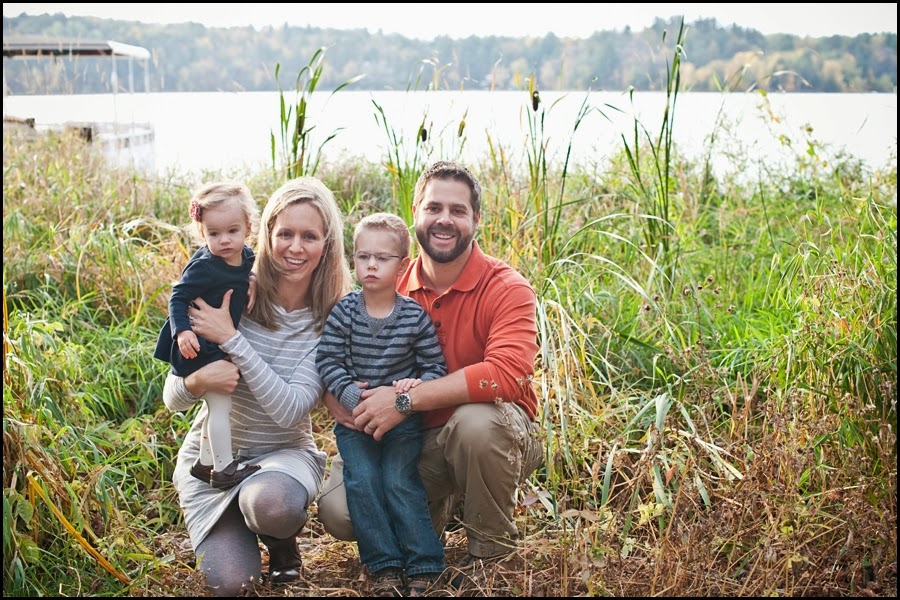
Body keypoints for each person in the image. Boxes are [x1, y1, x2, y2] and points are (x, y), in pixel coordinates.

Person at [317, 161, 544, 582]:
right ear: (415, 213)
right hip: (412, 439)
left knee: (476, 426)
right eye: (434, 207)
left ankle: (490, 557)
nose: (444, 219)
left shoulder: (506, 287)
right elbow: (334, 348)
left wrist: (406, 400)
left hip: (491, 434)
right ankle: (436, 511)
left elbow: (509, 373)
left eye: (458, 210)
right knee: (339, 509)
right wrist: (335, 396)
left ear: (477, 219)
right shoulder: (386, 280)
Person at [162, 176, 352, 596]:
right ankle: (236, 528)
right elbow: (171, 398)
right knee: (232, 585)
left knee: (271, 505)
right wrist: (197, 379)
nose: (295, 247)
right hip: (212, 463)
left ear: (326, 244)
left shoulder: (330, 319)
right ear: (265, 234)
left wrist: (232, 340)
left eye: (309, 236)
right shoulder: (230, 290)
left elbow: (290, 411)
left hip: (282, 457)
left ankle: (279, 539)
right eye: (285, 234)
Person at [315, 212, 447, 596]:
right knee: (362, 481)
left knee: (398, 481)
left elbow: (434, 367)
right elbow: (328, 360)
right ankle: (384, 565)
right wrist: (349, 394)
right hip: (355, 424)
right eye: (363, 257)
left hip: (402, 424)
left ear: (402, 266)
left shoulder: (413, 316)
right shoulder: (345, 311)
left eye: (382, 258)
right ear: (354, 260)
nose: (371, 265)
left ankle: (424, 563)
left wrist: (415, 384)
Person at [154, 181, 262, 489]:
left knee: (216, 406)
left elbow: (249, 269)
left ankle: (204, 463)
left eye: (232, 231)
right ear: (203, 233)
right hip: (198, 345)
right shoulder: (204, 267)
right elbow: (178, 296)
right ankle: (223, 468)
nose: (224, 240)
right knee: (221, 407)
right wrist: (182, 331)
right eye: (214, 234)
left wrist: (252, 280)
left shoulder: (247, 256)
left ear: (248, 228)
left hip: (215, 342)